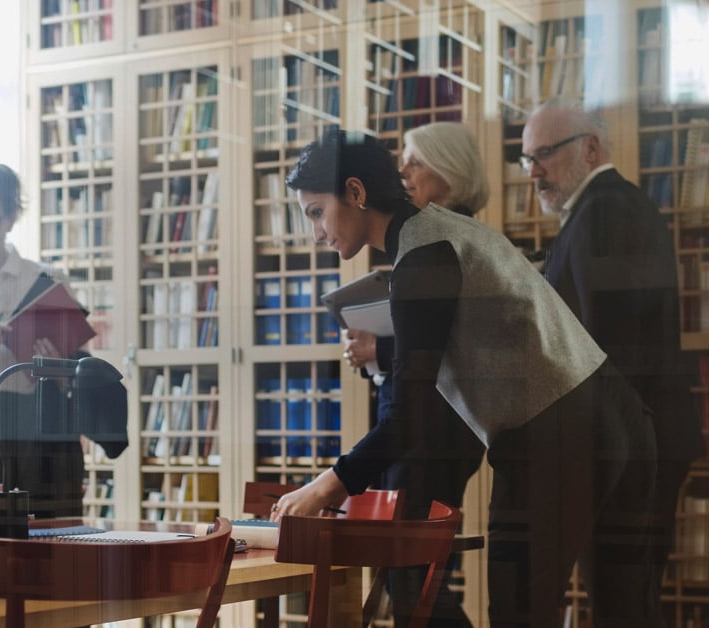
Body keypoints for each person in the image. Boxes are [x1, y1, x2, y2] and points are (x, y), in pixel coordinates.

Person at [272, 128, 659, 628]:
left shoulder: (423, 257)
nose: (317, 233)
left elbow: (410, 413)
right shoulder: (446, 231)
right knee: (624, 612)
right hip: (618, 415)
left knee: (519, 616)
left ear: (355, 192)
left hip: (553, 436)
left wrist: (330, 485)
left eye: (316, 213)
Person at [523, 100, 705, 627]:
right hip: (621, 445)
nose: (533, 170)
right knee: (622, 603)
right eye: (526, 158)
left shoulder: (608, 211)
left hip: (628, 449)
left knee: (625, 607)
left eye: (544, 155)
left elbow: (612, 344)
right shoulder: (596, 211)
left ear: (591, 148)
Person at [342, 121, 488, 627]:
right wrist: (379, 354)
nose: (403, 172)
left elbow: (452, 344)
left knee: (417, 581)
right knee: (413, 581)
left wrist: (380, 346)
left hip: (435, 431)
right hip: (424, 426)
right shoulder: (431, 235)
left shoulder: (448, 239)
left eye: (416, 161)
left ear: (451, 171)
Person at [0, 164, 122, 517]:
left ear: (11, 217)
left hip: (41, 424)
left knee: (56, 536)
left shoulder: (47, 278)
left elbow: (80, 369)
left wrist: (57, 367)